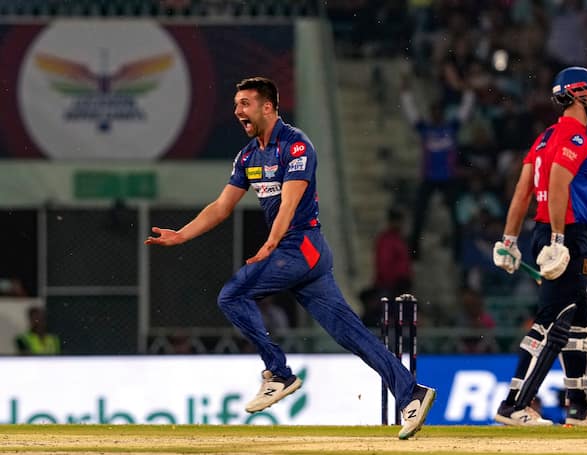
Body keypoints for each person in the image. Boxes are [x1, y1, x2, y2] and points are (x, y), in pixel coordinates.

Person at [145, 77, 435, 439]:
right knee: (351, 335)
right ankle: (412, 393)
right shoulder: (248, 156)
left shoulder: (296, 146)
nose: (237, 111)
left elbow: (290, 202)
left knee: (232, 295)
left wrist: (270, 244)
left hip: (302, 246)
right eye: (235, 104)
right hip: (298, 254)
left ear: (268, 107)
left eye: (245, 103)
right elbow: (221, 207)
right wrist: (182, 235)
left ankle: (279, 374)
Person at [491, 66, 587, 426]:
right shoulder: (575, 137)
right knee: (553, 319)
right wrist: (558, 239)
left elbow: (523, 190)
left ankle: (578, 407)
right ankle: (514, 405)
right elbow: (557, 182)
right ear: (576, 95)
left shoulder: (545, 137)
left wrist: (509, 240)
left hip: (547, 231)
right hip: (566, 234)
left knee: (581, 312)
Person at [400, 74, 474, 261]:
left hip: (448, 178)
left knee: (456, 216)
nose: (436, 115)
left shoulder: (450, 128)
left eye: (438, 112)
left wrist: (468, 93)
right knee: (419, 213)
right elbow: (412, 116)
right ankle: (414, 251)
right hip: (430, 178)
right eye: (433, 112)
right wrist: (405, 94)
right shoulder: (426, 130)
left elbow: (464, 112)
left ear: (441, 114)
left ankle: (458, 253)